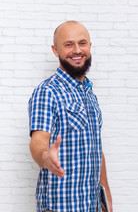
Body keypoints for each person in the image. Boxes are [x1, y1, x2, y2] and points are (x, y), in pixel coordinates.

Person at [28, 21, 113, 212]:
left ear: (89, 46)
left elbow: (96, 150)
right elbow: (38, 140)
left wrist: (106, 199)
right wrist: (45, 157)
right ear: (55, 50)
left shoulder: (89, 94)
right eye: (68, 44)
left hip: (92, 206)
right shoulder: (47, 91)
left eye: (82, 43)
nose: (77, 50)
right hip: (61, 207)